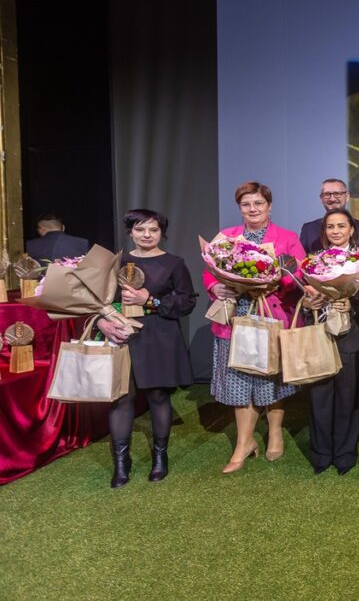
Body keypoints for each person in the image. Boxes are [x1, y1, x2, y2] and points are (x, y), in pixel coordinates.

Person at [203, 182, 306, 473]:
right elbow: (208, 271)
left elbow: (298, 274)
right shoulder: (227, 238)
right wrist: (217, 286)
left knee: (271, 377)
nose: (253, 209)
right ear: (240, 208)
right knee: (238, 379)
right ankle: (244, 442)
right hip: (235, 318)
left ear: (269, 206)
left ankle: (274, 433)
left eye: (259, 203)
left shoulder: (286, 238)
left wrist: (277, 281)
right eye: (247, 204)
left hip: (273, 314)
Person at [97, 209, 196, 488]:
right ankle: (121, 463)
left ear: (162, 233)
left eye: (153, 230)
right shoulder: (115, 261)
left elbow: (188, 302)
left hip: (159, 335)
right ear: (130, 232)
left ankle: (159, 458)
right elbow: (96, 300)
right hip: (121, 333)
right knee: (122, 398)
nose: (147, 235)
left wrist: (149, 300)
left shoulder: (174, 263)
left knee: (158, 396)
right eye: (140, 230)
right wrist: (103, 321)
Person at [301, 209, 359, 475]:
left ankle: (344, 452)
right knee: (320, 395)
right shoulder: (313, 262)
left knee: (347, 396)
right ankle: (321, 453)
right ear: (325, 231)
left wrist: (350, 302)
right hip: (320, 335)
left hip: (351, 335)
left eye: (342, 226)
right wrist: (309, 302)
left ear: (352, 229)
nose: (336, 231)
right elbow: (304, 298)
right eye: (331, 227)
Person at [299, 178, 359, 254]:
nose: (332, 199)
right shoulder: (308, 229)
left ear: (347, 196)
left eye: (337, 194)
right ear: (321, 198)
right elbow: (302, 263)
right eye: (327, 194)